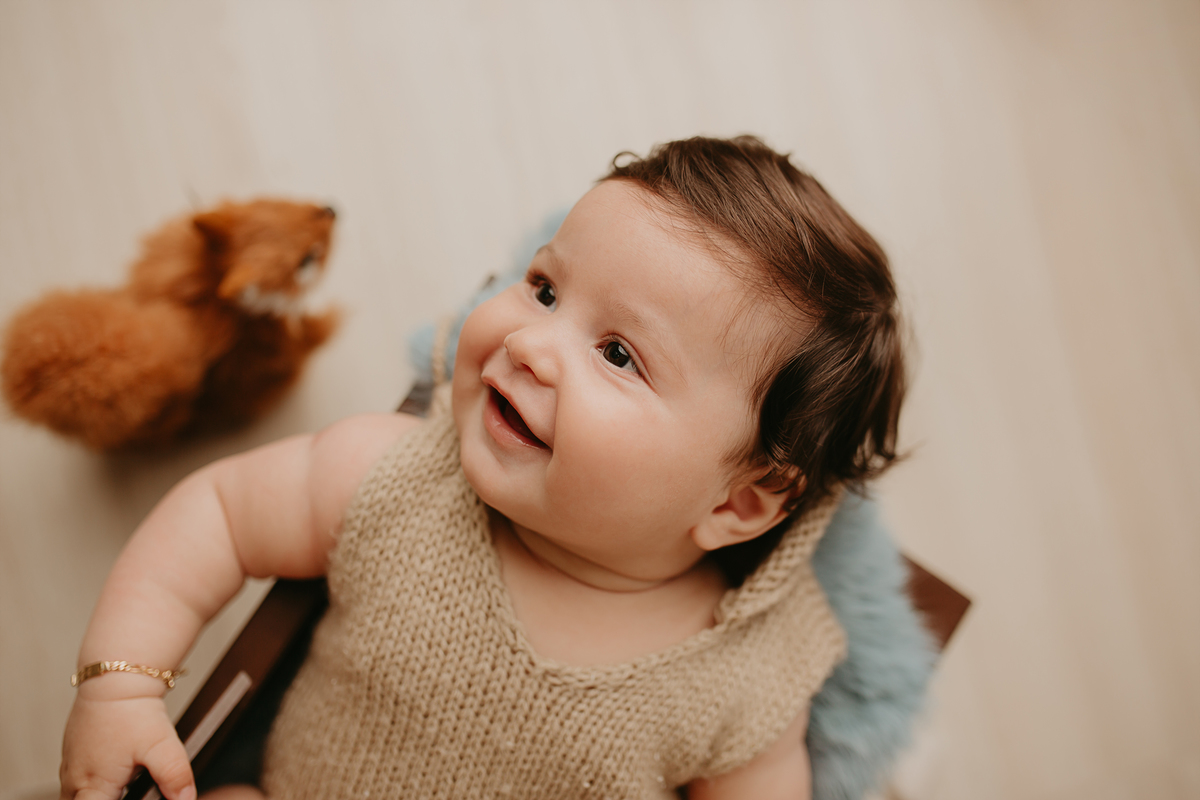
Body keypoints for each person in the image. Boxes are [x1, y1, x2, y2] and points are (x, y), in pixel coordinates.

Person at [60, 136, 905, 800]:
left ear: (742, 502)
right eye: (542, 288)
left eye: (617, 354)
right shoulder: (396, 481)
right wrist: (121, 691)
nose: (529, 343)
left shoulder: (745, 676)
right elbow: (217, 514)